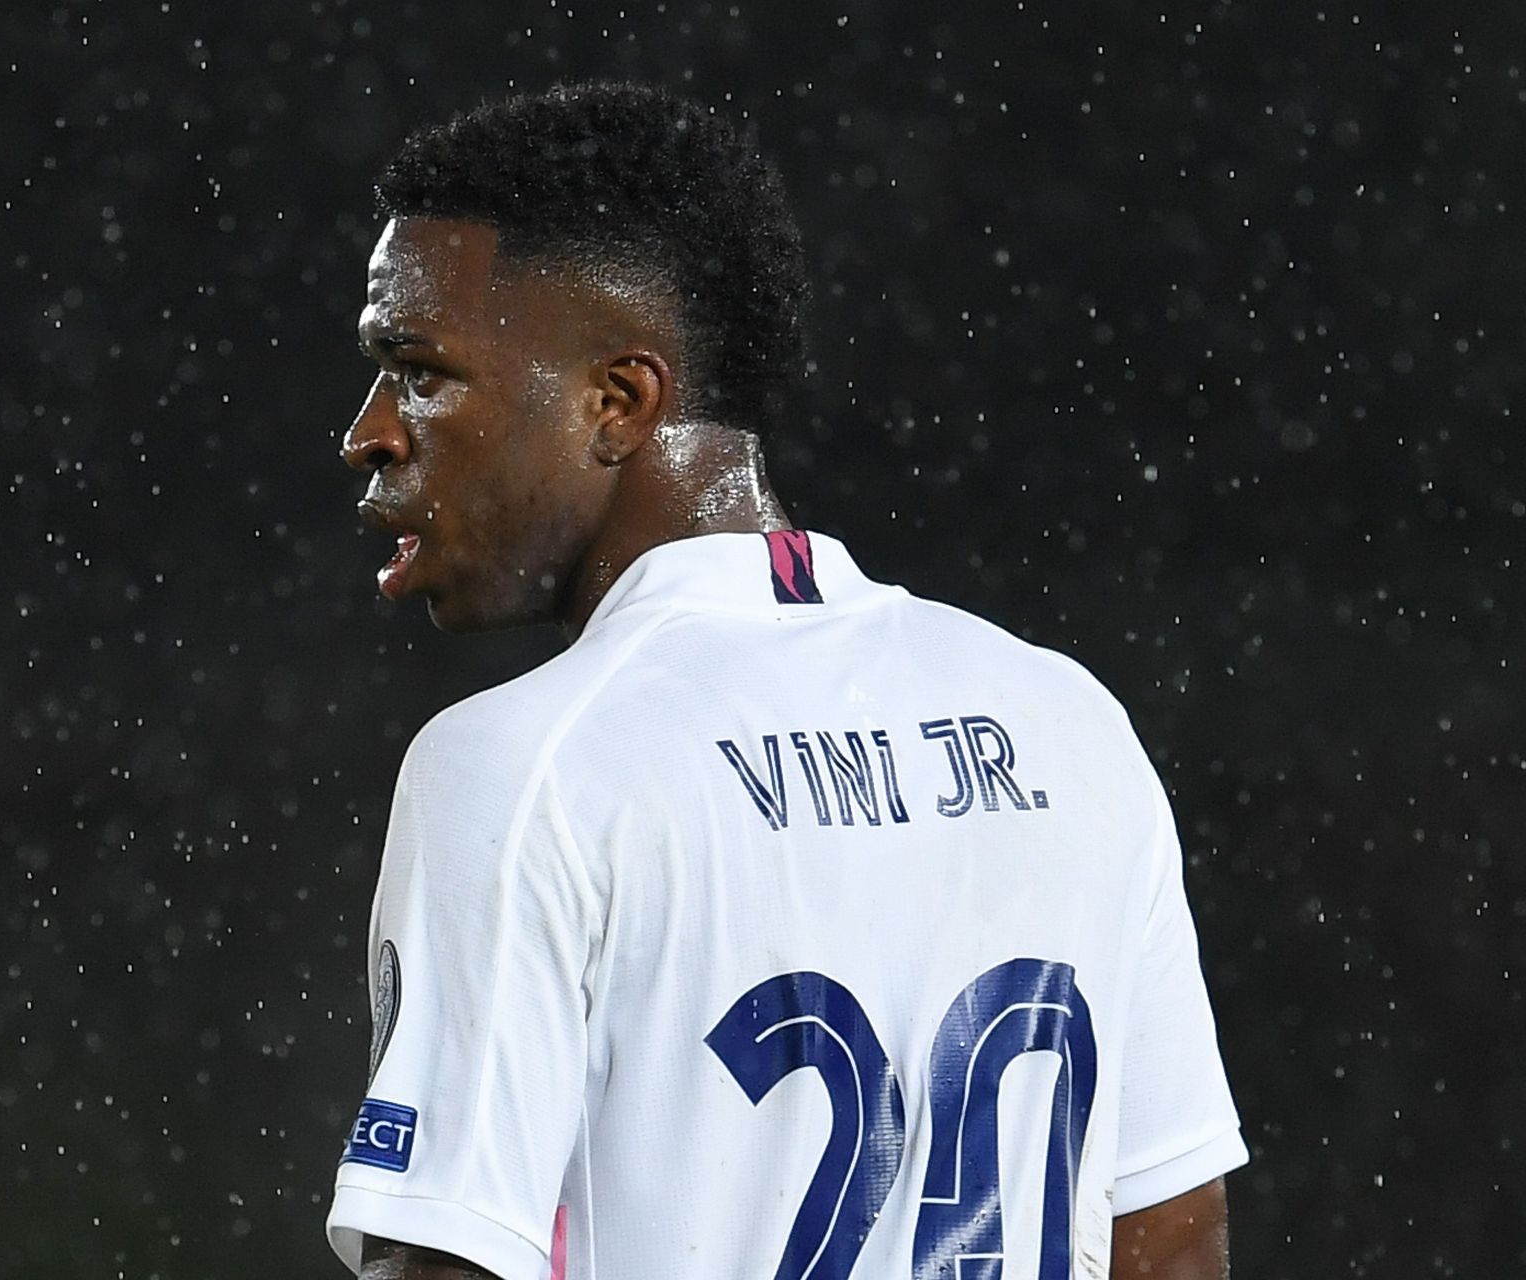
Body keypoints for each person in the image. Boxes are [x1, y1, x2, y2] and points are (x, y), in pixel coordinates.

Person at [327, 81, 1246, 1280]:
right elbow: (1170, 1238)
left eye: (421, 370)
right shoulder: (1065, 718)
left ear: (618, 402)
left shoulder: (525, 767)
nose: (371, 430)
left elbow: (443, 1264)